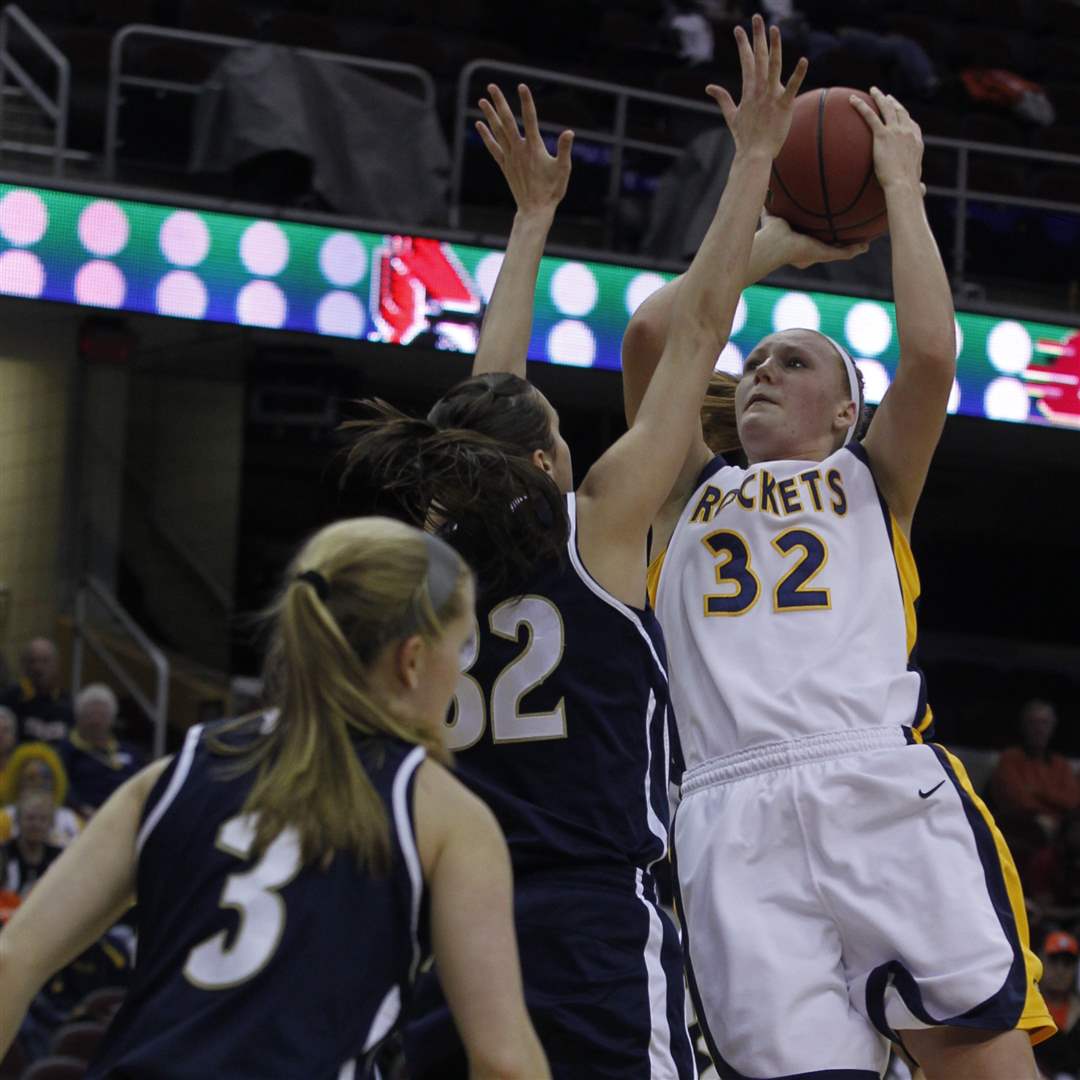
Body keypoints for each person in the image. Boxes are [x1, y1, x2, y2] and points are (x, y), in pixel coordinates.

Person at [344, 24, 812, 1076]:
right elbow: (695, 337)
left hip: (445, 919)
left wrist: (531, 221)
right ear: (550, 465)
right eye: (559, 430)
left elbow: (486, 401)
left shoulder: (436, 551)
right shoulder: (596, 524)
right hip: (587, 918)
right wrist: (750, 160)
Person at [622, 83, 1053, 1076]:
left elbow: (933, 353)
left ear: (844, 413)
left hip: (874, 781)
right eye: (756, 359)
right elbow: (654, 338)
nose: (764, 369)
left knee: (979, 1062)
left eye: (795, 361)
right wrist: (781, 238)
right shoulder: (682, 486)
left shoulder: (873, 479)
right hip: (727, 810)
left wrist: (900, 187)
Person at [0, 517, 550, 1080]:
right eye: (460, 649)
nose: (460, 675)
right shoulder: (445, 816)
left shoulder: (169, 776)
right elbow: (505, 1063)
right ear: (411, 661)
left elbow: (11, 959)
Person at [992, 699, 1080, 881]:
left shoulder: (1060, 764)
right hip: (1022, 829)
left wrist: (1037, 792)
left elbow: (1072, 800)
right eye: (1033, 723)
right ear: (1024, 726)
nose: (1039, 729)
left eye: (1044, 723)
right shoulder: (1010, 759)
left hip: (1061, 832)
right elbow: (1016, 799)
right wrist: (1047, 810)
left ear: (1053, 727)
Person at [60, 684, 142, 817]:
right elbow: (63, 786)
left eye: (102, 715)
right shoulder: (67, 749)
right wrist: (82, 809)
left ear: (112, 718)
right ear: (78, 717)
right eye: (90, 714)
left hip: (125, 814)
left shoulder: (130, 751)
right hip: (84, 815)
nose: (96, 721)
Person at [0, 741, 82, 847]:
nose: (38, 784)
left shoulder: (71, 821)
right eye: (31, 777)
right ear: (18, 782)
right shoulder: (5, 818)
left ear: (55, 782)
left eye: (46, 778)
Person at [0, 638, 73, 745]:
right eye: (32, 661)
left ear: (56, 665)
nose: (38, 667)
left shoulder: (68, 703)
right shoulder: (9, 698)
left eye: (45, 661)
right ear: (23, 665)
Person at [1035, 929, 1080, 1079]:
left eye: (1067, 963)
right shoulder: (1027, 1009)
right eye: (1054, 960)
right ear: (1040, 960)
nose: (1060, 970)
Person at [0, 790, 63, 896]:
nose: (36, 825)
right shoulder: (3, 854)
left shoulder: (60, 858)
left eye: (43, 819)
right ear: (17, 820)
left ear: (51, 823)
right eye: (30, 818)